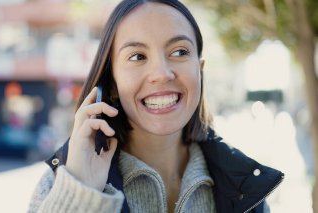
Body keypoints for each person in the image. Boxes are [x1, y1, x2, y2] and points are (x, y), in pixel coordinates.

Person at [28, 0, 284, 212]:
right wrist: (81, 194)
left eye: (180, 52)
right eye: (137, 56)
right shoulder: (61, 184)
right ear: (112, 83)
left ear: (200, 69)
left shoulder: (244, 191)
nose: (161, 73)